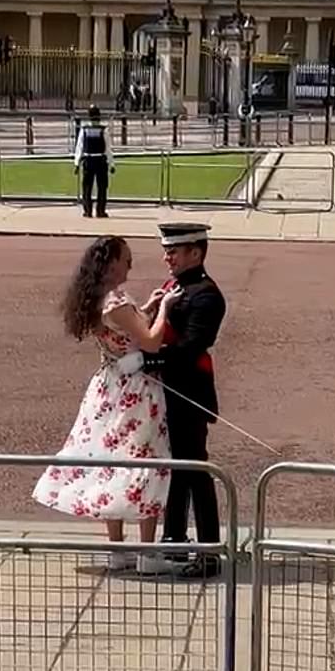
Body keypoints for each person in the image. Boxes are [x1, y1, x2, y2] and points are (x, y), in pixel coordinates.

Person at [33, 235, 176, 572]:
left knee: (111, 460)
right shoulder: (116, 301)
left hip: (108, 385)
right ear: (111, 262)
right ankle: (146, 551)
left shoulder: (97, 298)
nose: (130, 264)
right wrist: (165, 309)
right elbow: (151, 343)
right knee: (146, 462)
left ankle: (117, 547)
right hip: (136, 389)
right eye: (125, 258)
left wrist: (148, 309)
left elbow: (124, 332)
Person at [144, 222, 227, 579]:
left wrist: (151, 359)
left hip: (189, 391)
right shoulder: (175, 287)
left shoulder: (207, 295)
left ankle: (209, 551)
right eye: (167, 250)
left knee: (195, 469)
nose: (168, 257)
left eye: (174, 251)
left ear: (196, 252)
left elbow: (192, 345)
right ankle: (174, 537)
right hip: (167, 390)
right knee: (174, 466)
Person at [73, 105, 114, 219]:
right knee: (102, 187)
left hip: (88, 160)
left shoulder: (84, 129)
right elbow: (108, 148)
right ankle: (100, 211)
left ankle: (88, 211)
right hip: (100, 160)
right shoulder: (103, 130)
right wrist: (111, 164)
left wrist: (76, 163)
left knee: (87, 187)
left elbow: (79, 147)